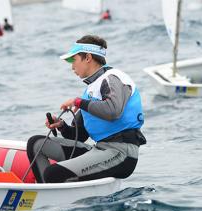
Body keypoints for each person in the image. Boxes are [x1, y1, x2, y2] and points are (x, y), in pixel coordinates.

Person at [26, 35, 146, 183]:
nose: (72, 67)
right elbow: (79, 136)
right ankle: (42, 194)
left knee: (53, 173)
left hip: (121, 153)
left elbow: (113, 110)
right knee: (36, 144)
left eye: (73, 60)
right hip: (100, 149)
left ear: (88, 57)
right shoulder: (91, 89)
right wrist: (62, 126)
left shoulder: (112, 78)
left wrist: (78, 102)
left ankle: (49, 198)